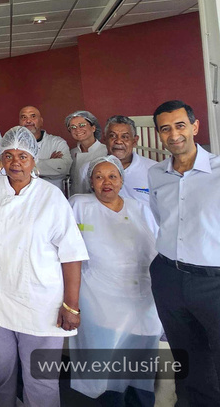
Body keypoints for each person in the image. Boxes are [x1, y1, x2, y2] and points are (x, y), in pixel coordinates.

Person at [0, 126, 88, 407]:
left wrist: (71, 306)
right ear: (0, 158)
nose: (15, 163)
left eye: (22, 156)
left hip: (40, 304)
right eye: (9, 156)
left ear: (34, 159)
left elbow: (71, 254)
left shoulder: (51, 197)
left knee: (41, 379)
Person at [68, 155, 162, 406]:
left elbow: (157, 249)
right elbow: (66, 251)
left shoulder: (140, 208)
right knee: (106, 363)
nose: (106, 182)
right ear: (91, 182)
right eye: (98, 177)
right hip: (99, 300)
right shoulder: (78, 205)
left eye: (112, 176)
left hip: (142, 299)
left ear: (121, 180)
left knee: (141, 364)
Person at [148, 100, 220, 404]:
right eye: (165, 129)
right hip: (168, 276)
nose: (173, 134)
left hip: (213, 281)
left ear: (194, 126)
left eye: (180, 125)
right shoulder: (156, 175)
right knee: (186, 359)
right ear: (159, 135)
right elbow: (159, 218)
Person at [77, 115, 156, 204]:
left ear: (134, 140)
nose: (118, 141)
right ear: (105, 138)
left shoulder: (154, 170)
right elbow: (82, 205)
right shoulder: (87, 169)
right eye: (112, 136)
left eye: (125, 137)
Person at [18, 106, 71, 192]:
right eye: (24, 117)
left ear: (41, 121)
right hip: (24, 194)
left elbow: (64, 167)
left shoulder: (57, 142)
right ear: (19, 123)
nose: (28, 121)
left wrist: (24, 165)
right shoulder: (14, 145)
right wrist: (49, 163)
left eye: (33, 116)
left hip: (53, 194)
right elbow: (9, 169)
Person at [67, 110, 108, 195]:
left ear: (93, 128)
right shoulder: (71, 153)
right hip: (75, 199)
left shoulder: (106, 151)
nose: (77, 129)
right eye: (73, 127)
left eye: (82, 125)